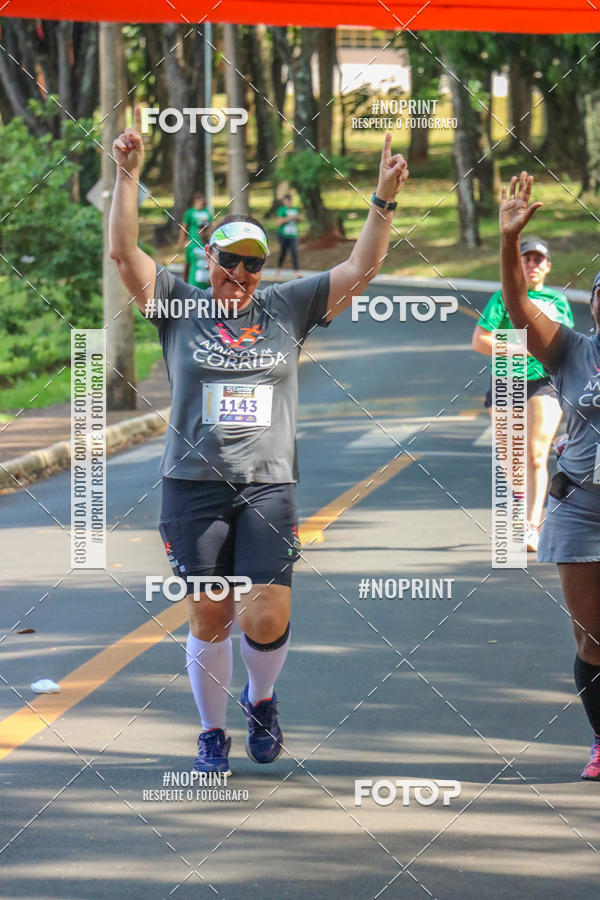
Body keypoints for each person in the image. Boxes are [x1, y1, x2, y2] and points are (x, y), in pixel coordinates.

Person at [109, 108, 409, 774]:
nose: (239, 272)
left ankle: (263, 699)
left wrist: (383, 199)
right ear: (206, 258)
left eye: (252, 262)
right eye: (228, 260)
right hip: (192, 484)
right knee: (210, 613)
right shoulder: (178, 305)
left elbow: (362, 266)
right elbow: (123, 253)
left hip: (269, 484)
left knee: (264, 614)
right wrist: (127, 174)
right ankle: (211, 733)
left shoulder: (287, 306)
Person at [499, 171, 600, 781]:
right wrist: (510, 242)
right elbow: (515, 307)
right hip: (582, 506)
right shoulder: (572, 351)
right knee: (593, 640)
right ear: (595, 302)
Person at [472, 236, 574, 551]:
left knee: (535, 451)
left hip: (545, 381)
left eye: (538, 260)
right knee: (510, 456)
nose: (532, 265)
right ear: (517, 264)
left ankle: (532, 525)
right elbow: (480, 340)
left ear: (548, 267)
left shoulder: (558, 301)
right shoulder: (504, 298)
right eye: (526, 259)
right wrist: (519, 347)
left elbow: (567, 343)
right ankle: (520, 500)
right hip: (506, 381)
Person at [178, 192, 213, 282]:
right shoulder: (190, 213)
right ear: (195, 201)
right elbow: (184, 228)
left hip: (205, 242)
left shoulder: (206, 212)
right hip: (193, 241)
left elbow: (212, 225)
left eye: (203, 201)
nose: (202, 203)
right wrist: (181, 242)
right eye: (200, 201)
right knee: (189, 263)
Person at [274, 193, 301, 280]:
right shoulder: (282, 210)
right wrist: (289, 218)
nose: (288, 202)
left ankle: (297, 273)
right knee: (283, 253)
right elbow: (279, 222)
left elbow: (300, 220)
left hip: (293, 235)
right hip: (283, 235)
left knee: (295, 253)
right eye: (286, 201)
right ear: (284, 201)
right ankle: (278, 272)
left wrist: (297, 218)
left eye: (289, 201)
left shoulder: (295, 210)